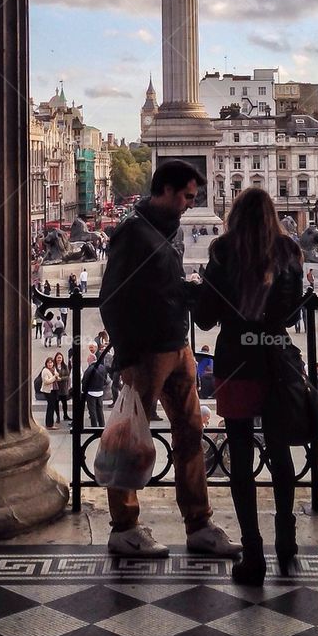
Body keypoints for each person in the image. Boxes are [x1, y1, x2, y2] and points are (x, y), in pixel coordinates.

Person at [99, 158, 240, 559]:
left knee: (191, 431)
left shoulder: (167, 230)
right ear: (164, 190)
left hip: (178, 345)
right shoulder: (133, 233)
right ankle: (124, 526)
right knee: (131, 439)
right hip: (145, 352)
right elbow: (112, 296)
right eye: (186, 197)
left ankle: (198, 523)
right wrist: (126, 354)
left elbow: (161, 284)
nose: (189, 205)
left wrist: (185, 291)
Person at [197, 186, 307, 584]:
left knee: (240, 456)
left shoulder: (223, 251)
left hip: (236, 360)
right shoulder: (290, 252)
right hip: (276, 358)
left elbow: (206, 319)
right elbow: (293, 312)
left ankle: (253, 553)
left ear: (234, 216)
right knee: (279, 451)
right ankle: (286, 541)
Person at [82, 352, 108, 428]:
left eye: (88, 360)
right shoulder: (102, 368)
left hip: (91, 392)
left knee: (92, 411)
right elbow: (105, 379)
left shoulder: (89, 370)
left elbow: (85, 381)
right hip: (100, 391)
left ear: (90, 360)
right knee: (100, 410)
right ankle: (102, 425)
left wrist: (84, 390)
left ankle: (94, 426)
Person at [39, 356, 59, 429]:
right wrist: (55, 377)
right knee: (50, 407)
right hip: (48, 391)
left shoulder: (53, 369)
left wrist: (58, 378)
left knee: (52, 407)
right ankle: (49, 424)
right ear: (46, 364)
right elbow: (46, 381)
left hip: (54, 390)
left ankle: (50, 423)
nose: (50, 364)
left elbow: (56, 376)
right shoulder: (45, 370)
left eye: (51, 363)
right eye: (48, 363)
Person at [52, 351, 70, 423]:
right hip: (56, 388)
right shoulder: (53, 367)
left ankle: (65, 415)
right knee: (56, 403)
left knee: (64, 402)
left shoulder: (65, 366)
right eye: (58, 358)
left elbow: (67, 376)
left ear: (62, 359)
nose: (59, 359)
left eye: (60, 358)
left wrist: (61, 378)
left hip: (63, 388)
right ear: (55, 358)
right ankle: (58, 416)